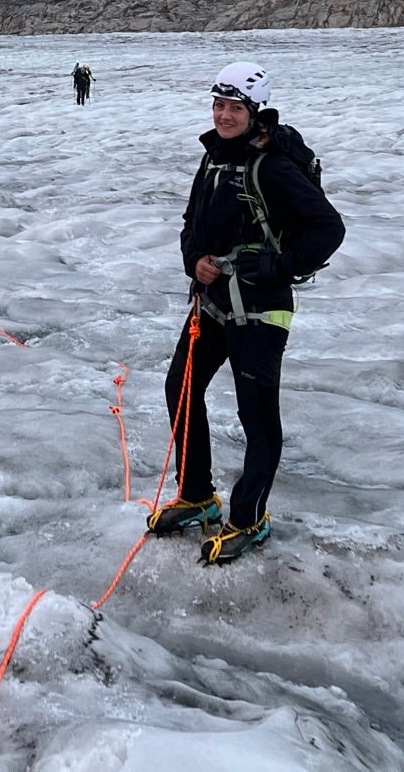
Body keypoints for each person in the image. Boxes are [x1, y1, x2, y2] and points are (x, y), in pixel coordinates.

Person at [148, 61, 343, 563]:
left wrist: (277, 267)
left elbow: (328, 227)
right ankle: (196, 495)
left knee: (255, 414)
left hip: (260, 310)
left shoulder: (271, 165)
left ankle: (249, 517)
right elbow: (192, 220)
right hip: (213, 303)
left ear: (255, 111)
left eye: (234, 107)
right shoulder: (213, 157)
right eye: (218, 105)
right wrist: (194, 259)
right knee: (181, 387)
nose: (224, 115)